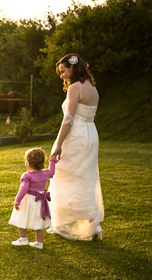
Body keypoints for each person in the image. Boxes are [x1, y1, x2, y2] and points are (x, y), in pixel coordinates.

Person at [47, 53, 104, 241]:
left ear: (73, 68)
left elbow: (69, 118)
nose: (62, 75)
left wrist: (59, 144)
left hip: (76, 134)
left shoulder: (75, 88)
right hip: (91, 134)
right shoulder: (93, 88)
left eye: (63, 71)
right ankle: (91, 223)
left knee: (62, 174)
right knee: (84, 178)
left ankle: (64, 223)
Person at [9, 148, 57, 249]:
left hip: (28, 200)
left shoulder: (27, 176)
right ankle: (39, 243)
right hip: (40, 202)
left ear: (28, 162)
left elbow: (23, 189)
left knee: (21, 217)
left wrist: (17, 200)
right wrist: (52, 161)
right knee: (38, 221)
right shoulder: (45, 173)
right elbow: (52, 172)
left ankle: (23, 239)